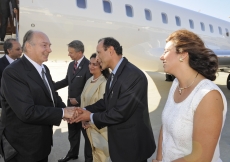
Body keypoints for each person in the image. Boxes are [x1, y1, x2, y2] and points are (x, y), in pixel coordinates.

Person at [72, 37, 156, 162]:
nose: (97, 58)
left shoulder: (132, 75)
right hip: (120, 144)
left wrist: (90, 117)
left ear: (110, 50)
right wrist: (83, 110)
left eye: (99, 53)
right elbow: (106, 102)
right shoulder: (114, 75)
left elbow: (120, 113)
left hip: (132, 147)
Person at [0, 30, 77, 162]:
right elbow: (27, 112)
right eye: (44, 45)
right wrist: (62, 113)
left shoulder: (44, 69)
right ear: (29, 46)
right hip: (22, 149)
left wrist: (68, 110)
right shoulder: (13, 72)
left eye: (49, 45)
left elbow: (52, 95)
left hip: (41, 145)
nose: (50, 50)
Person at [152, 29, 227, 162]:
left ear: (183, 55)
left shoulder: (208, 96)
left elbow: (201, 158)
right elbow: (165, 128)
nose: (161, 56)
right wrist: (159, 158)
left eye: (166, 51)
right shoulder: (176, 84)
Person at [54, 40, 92, 162]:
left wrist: (79, 100)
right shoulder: (71, 65)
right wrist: (51, 86)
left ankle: (89, 159)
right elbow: (67, 81)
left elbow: (91, 87)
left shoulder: (89, 65)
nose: (68, 54)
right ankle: (72, 153)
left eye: (71, 52)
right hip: (71, 106)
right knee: (72, 132)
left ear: (79, 52)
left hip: (83, 107)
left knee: (87, 135)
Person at [81, 53, 110, 162]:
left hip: (96, 125)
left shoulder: (104, 82)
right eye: (90, 63)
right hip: (85, 124)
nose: (91, 66)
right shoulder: (89, 80)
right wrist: (82, 118)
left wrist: (89, 119)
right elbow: (83, 101)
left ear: (101, 67)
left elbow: (102, 105)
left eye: (95, 64)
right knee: (88, 153)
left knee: (99, 154)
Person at [0, 38, 22, 108]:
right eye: (18, 49)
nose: (21, 51)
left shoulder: (23, 63)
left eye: (21, 49)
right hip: (5, 105)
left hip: (21, 104)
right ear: (9, 51)